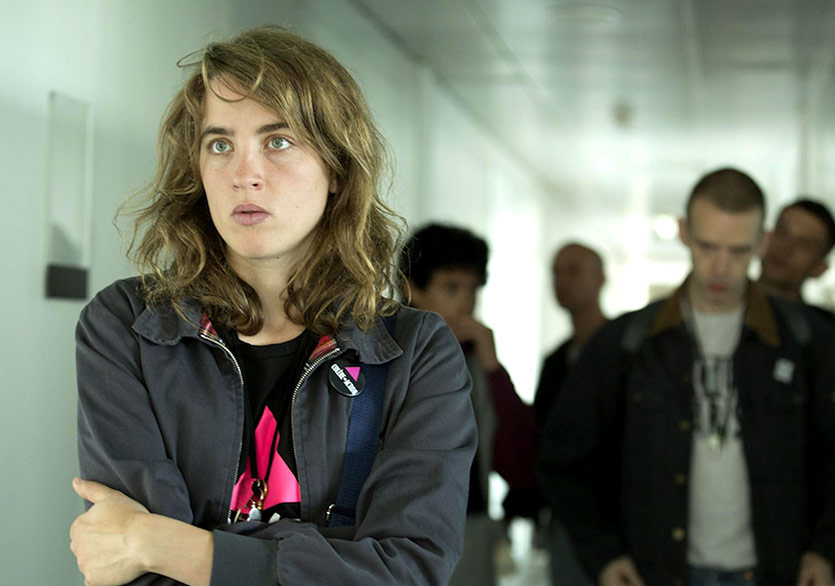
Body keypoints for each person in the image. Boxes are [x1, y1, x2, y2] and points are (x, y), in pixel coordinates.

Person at [69, 27, 476, 586]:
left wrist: (165, 543)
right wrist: (328, 561)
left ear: (337, 170)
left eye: (278, 141)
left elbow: (408, 571)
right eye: (220, 145)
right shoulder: (129, 326)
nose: (245, 175)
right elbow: (135, 570)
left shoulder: (415, 351)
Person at [536, 168, 835, 586]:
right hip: (656, 571)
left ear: (762, 243)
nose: (721, 267)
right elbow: (563, 461)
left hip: (775, 569)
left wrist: (825, 549)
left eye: (738, 251)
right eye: (707, 246)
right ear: (683, 232)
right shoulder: (626, 342)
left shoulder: (807, 341)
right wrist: (604, 554)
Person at [399, 223, 538, 586]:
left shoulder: (475, 361)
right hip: (397, 532)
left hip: (468, 531)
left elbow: (522, 465)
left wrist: (492, 366)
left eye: (473, 289)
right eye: (451, 288)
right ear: (411, 289)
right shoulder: (384, 357)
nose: (466, 303)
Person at [533, 242, 607, 586]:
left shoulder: (625, 352)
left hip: (612, 513)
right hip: (565, 511)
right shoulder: (556, 362)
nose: (562, 281)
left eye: (574, 271)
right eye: (556, 272)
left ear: (601, 279)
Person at [759, 198, 835, 320]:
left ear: (820, 268)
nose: (785, 248)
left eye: (804, 244)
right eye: (782, 233)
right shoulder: (726, 302)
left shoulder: (822, 328)